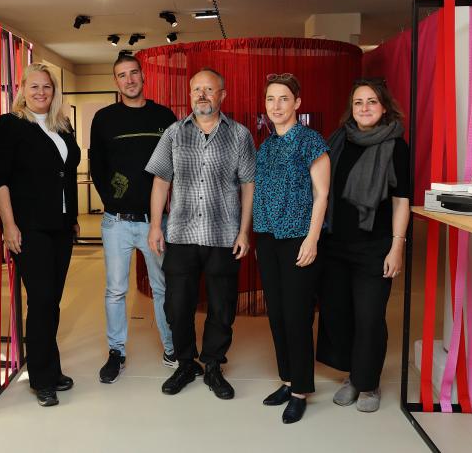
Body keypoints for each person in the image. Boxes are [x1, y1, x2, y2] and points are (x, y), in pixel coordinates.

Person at [146, 68, 255, 400]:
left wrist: (244, 231)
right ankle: (185, 363)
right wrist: (154, 226)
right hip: (180, 233)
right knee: (177, 306)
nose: (202, 95)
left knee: (222, 307)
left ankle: (212, 366)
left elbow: (249, 184)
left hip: (224, 235)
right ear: (189, 94)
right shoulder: (174, 134)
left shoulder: (239, 135)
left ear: (223, 94)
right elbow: (161, 180)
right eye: (197, 89)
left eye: (210, 89)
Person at [0, 63, 81, 408]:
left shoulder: (62, 124)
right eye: (34, 87)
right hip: (29, 227)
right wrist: (9, 225)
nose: (41, 92)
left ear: (54, 91)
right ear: (22, 90)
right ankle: (41, 378)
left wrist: (71, 216)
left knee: (51, 301)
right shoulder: (10, 125)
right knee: (41, 300)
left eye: (47, 87)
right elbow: (0, 180)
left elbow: (65, 175)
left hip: (59, 227)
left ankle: (50, 367)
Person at [317, 78, 410, 413]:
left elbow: (401, 201)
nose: (365, 108)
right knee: (339, 313)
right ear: (351, 108)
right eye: (358, 102)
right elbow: (321, 191)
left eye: (372, 101)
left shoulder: (396, 145)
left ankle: (367, 384)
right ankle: (354, 375)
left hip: (376, 246)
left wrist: (397, 246)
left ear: (384, 107)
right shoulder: (339, 139)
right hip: (335, 245)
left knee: (370, 317)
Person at [90, 54, 178, 383]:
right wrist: (111, 197)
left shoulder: (164, 117)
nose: (128, 80)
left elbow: (175, 165)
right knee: (115, 290)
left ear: (143, 76)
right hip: (116, 222)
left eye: (133, 74)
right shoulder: (104, 119)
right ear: (116, 81)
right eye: (121, 75)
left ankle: (172, 348)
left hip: (156, 222)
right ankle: (116, 352)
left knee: (162, 287)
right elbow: (97, 165)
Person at [253, 73, 329, 424]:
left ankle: (301, 389)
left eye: (283, 98)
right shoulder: (265, 145)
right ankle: (286, 379)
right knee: (277, 314)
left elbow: (322, 194)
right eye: (270, 99)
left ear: (297, 103)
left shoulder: (311, 141)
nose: (276, 106)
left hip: (298, 237)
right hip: (267, 238)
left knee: (297, 316)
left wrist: (312, 238)